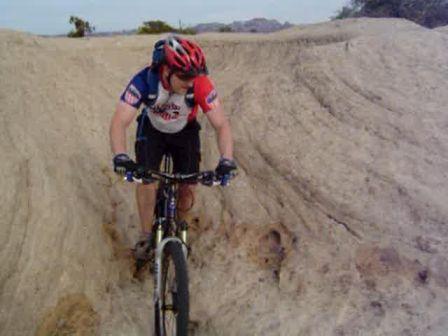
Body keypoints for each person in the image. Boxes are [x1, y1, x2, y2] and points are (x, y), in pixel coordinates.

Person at [109, 35, 237, 259]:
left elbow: (221, 125)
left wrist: (226, 160)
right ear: (166, 69)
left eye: (193, 77)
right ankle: (146, 234)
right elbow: (120, 121)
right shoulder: (144, 81)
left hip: (184, 132)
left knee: (189, 184)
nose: (190, 82)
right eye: (184, 76)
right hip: (152, 130)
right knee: (146, 181)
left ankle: (180, 226)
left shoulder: (200, 83)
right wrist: (121, 157)